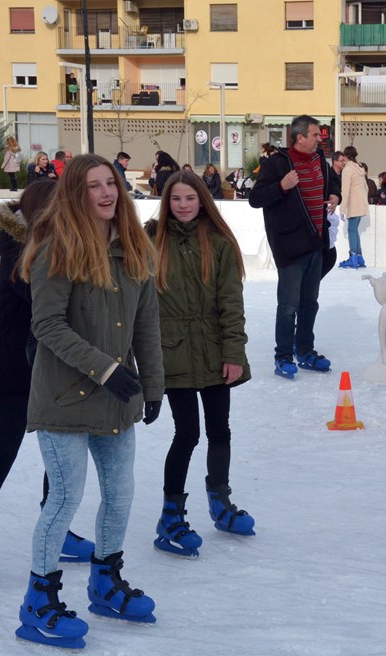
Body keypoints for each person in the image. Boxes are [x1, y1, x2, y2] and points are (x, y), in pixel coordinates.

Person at [15, 154, 163, 648]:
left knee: (120, 496)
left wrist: (154, 384)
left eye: (112, 184)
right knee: (65, 497)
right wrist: (106, 368)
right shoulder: (57, 248)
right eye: (94, 186)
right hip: (64, 397)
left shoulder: (133, 248)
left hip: (116, 401)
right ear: (75, 194)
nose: (105, 193)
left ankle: (105, 581)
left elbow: (146, 324)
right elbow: (47, 324)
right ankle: (38, 600)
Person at [0, 179, 96, 591]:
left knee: (60, 453)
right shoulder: (18, 246)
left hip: (52, 359)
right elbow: (34, 302)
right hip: (14, 358)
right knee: (3, 451)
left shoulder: (66, 243)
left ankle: (57, 527)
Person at [147, 172, 253, 559]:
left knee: (219, 429)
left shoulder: (219, 243)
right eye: (176, 199)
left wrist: (233, 353)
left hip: (212, 350)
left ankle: (219, 500)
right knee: (186, 433)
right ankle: (171, 513)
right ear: (166, 201)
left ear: (203, 199)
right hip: (172, 350)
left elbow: (232, 304)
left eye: (190, 198)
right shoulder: (152, 240)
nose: (183, 205)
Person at [249, 114, 340, 380]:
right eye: (315, 135)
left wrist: (336, 194)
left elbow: (331, 183)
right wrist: (281, 186)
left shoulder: (319, 161)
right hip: (290, 247)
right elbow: (255, 198)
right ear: (299, 137)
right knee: (288, 305)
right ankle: (283, 356)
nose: (319, 139)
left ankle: (306, 351)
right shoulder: (277, 164)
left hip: (316, 244)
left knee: (310, 303)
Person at [338, 145, 369, 269]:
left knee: (351, 230)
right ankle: (359, 257)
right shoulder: (360, 168)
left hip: (353, 202)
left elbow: (345, 190)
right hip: (361, 202)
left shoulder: (348, 170)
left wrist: (342, 208)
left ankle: (353, 257)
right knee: (355, 230)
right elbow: (365, 187)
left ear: (345, 156)